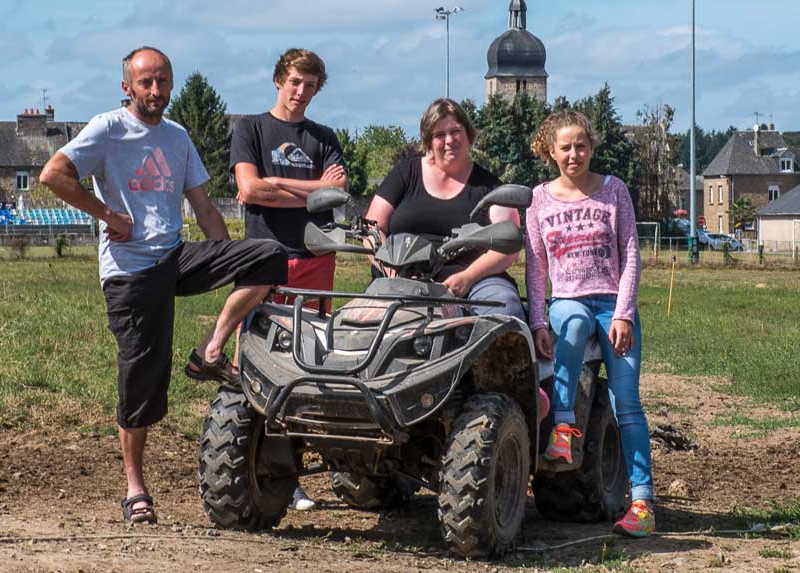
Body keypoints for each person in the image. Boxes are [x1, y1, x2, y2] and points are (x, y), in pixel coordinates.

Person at [40, 46, 287, 525]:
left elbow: (206, 209)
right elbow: (53, 174)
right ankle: (135, 488)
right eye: (146, 83)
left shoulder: (177, 136)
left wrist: (223, 257)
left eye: (163, 82)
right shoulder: (108, 128)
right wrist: (109, 215)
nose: (156, 92)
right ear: (127, 87)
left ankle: (210, 350)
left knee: (268, 255)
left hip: (174, 255)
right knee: (143, 379)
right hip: (130, 271)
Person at [524, 110, 656, 537]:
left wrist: (623, 314)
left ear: (592, 147)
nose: (574, 154)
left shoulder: (614, 191)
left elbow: (631, 253)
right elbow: (536, 267)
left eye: (581, 145)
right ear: (551, 151)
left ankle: (641, 503)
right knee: (574, 324)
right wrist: (539, 320)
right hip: (567, 300)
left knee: (626, 403)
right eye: (566, 147)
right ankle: (563, 425)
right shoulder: (539, 199)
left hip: (612, 304)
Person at [230, 48, 345, 511]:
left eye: (310, 85)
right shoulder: (251, 128)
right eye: (294, 81)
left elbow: (335, 195)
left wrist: (291, 188)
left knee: (309, 368)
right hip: (265, 260)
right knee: (252, 369)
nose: (301, 92)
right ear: (279, 80)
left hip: (315, 259)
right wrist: (313, 187)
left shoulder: (324, 136)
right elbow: (248, 189)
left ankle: (292, 475)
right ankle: (244, 469)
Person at [364, 98, 523, 319]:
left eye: (456, 131)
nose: (449, 140)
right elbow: (372, 228)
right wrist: (392, 271)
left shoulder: (490, 188)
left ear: (469, 135)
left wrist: (468, 277)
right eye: (439, 135)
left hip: (475, 283)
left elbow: (509, 246)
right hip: (400, 278)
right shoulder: (405, 174)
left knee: (505, 309)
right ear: (429, 140)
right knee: (356, 328)